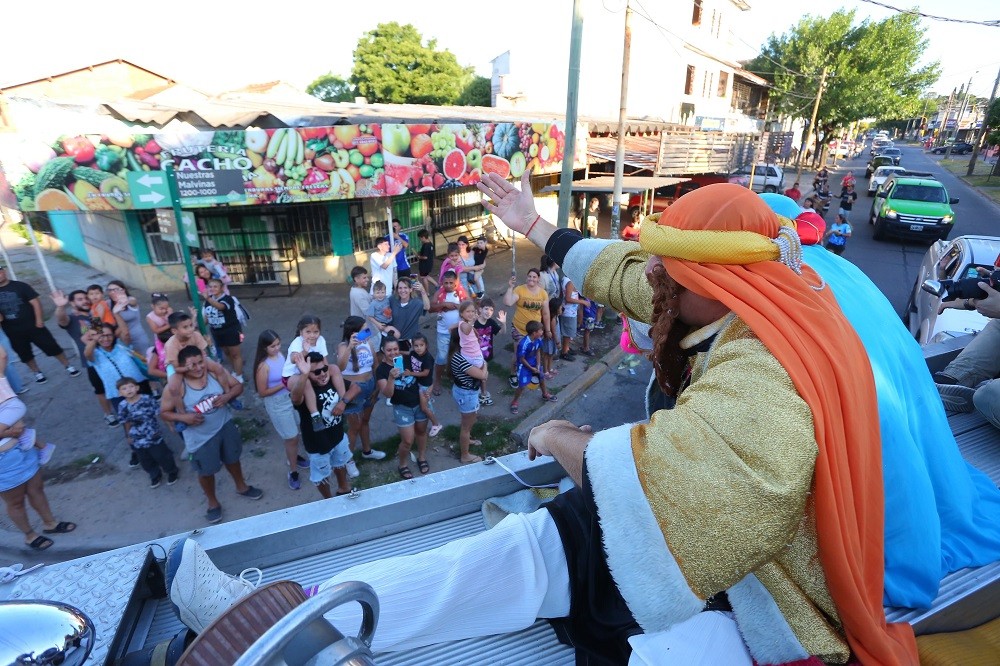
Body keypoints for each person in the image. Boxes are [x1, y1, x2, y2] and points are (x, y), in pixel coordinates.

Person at [160, 345, 261, 524]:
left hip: (225, 427)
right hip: (200, 439)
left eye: (201, 362)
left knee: (233, 459)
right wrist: (185, 417)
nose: (199, 368)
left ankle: (242, 486)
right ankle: (213, 503)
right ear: (183, 367)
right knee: (206, 472)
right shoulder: (176, 387)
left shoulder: (214, 374)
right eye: (193, 365)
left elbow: (238, 386)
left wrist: (227, 396)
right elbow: (164, 412)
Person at [289, 351, 359, 498]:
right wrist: (304, 375)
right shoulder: (306, 389)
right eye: (316, 372)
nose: (322, 374)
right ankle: (328, 500)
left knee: (340, 463)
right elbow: (295, 399)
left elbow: (356, 388)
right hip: (317, 444)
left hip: (337, 436)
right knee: (321, 475)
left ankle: (343, 488)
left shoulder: (333, 379)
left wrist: (343, 402)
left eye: (324, 369)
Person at [252, 329, 309, 491]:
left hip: (290, 399)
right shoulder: (263, 366)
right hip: (277, 404)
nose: (276, 348)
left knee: (295, 432)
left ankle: (294, 457)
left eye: (278, 344)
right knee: (291, 437)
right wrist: (284, 384)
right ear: (264, 348)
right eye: (272, 346)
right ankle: (293, 472)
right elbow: (262, 392)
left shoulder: (281, 356)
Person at [0, 268, 79, 383]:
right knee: (25, 354)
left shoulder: (21, 286)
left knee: (52, 346)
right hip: (12, 331)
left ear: (4, 271)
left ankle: (68, 365)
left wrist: (39, 320)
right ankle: (37, 372)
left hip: (33, 325)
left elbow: (35, 303)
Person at [53, 289, 118, 427]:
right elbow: (61, 319)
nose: (85, 301)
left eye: (86, 298)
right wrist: (60, 306)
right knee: (100, 389)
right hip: (92, 361)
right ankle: (108, 414)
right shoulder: (73, 318)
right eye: (80, 299)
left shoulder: (95, 312)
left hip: (110, 356)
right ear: (72, 302)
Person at [336, 316, 387, 477]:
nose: (367, 331)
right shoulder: (343, 346)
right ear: (353, 332)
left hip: (370, 386)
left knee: (365, 421)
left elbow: (375, 365)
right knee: (354, 427)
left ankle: (367, 450)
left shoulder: (368, 342)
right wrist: (351, 346)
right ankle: (348, 460)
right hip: (353, 390)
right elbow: (340, 367)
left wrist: (376, 387)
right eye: (364, 329)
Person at [375, 337, 429, 479]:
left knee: (421, 432)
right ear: (383, 350)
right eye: (389, 350)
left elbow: (425, 372)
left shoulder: (408, 359)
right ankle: (403, 464)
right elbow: (387, 394)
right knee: (407, 440)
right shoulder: (381, 370)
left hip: (419, 402)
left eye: (395, 349)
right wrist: (391, 378)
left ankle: (422, 457)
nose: (393, 353)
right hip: (402, 407)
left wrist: (428, 389)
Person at [116, 376, 178, 489]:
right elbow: (126, 422)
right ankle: (154, 475)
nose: (128, 390)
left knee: (162, 455)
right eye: (124, 388)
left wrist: (169, 424)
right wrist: (128, 435)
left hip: (153, 433)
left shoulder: (147, 399)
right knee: (145, 459)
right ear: (120, 393)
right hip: (137, 437)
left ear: (137, 387)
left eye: (131, 386)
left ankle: (171, 471)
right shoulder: (122, 406)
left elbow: (159, 413)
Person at [503, 268, 551, 388]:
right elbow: (508, 302)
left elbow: (546, 313)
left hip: (535, 331)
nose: (531, 279)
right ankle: (513, 374)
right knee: (519, 353)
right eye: (529, 276)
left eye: (534, 277)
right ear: (526, 277)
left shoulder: (543, 293)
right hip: (519, 328)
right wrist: (510, 287)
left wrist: (548, 329)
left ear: (538, 279)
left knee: (534, 352)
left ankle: (529, 371)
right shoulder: (520, 289)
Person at [448, 329, 489, 464]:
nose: (474, 340)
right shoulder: (459, 358)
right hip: (466, 394)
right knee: (466, 426)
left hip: (467, 392)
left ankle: (467, 439)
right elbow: (482, 375)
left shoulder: (462, 353)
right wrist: (485, 367)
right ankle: (465, 455)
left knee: (470, 420)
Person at [282, 316, 328, 431]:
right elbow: (293, 359)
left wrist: (327, 373)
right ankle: (315, 416)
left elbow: (324, 359)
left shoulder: (321, 340)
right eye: (308, 332)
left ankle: (344, 400)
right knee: (306, 381)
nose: (312, 335)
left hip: (311, 371)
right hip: (292, 376)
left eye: (315, 332)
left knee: (334, 369)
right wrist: (305, 351)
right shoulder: (297, 342)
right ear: (301, 332)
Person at [429, 271, 467, 396]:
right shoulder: (439, 293)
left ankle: (454, 376)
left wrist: (457, 306)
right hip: (443, 332)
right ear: (442, 282)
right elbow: (430, 308)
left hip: (458, 331)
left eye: (451, 283)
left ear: (456, 282)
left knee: (458, 355)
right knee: (441, 358)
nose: (449, 285)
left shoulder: (461, 291)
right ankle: (437, 382)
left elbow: (470, 306)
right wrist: (444, 304)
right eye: (446, 283)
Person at [201, 278, 243, 382]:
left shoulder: (228, 299)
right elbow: (207, 317)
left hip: (230, 330)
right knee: (227, 353)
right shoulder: (208, 301)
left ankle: (239, 375)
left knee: (235, 354)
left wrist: (208, 299)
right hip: (217, 332)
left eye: (215, 286)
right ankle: (235, 371)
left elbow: (221, 307)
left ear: (222, 288)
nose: (212, 289)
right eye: (210, 287)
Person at [510, 320, 555, 415]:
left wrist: (538, 365)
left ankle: (545, 394)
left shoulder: (538, 340)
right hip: (524, 367)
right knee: (522, 386)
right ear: (535, 333)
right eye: (541, 330)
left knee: (541, 378)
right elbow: (521, 359)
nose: (542, 332)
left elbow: (538, 352)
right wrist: (531, 368)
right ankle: (514, 401)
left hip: (534, 364)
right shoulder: (523, 344)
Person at [408, 333, 443, 436]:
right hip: (418, 383)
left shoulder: (428, 358)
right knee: (421, 403)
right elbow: (408, 354)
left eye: (421, 345)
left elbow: (425, 373)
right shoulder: (413, 353)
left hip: (424, 385)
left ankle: (436, 424)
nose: (419, 348)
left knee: (424, 408)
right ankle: (428, 403)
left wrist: (410, 373)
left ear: (426, 345)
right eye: (416, 346)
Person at [473, 298, 505, 406]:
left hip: (486, 354)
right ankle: (483, 394)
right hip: (475, 354)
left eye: (491, 310)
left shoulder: (491, 322)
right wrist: (472, 323)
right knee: (483, 375)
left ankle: (478, 391)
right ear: (480, 309)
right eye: (486, 309)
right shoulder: (475, 323)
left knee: (481, 374)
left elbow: (502, 333)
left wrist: (503, 323)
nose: (488, 312)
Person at [388, 277, 430, 353]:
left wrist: (423, 291)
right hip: (394, 341)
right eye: (400, 288)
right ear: (397, 289)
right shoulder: (392, 300)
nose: (402, 290)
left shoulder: (416, 303)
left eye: (405, 288)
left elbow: (427, 307)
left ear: (411, 289)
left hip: (409, 341)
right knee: (398, 363)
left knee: (408, 362)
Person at [108, 280, 150, 354]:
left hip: (137, 338)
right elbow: (97, 326)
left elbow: (132, 301)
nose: (112, 292)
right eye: (110, 290)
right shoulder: (105, 305)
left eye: (115, 290)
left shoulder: (130, 300)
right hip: (120, 342)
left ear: (123, 290)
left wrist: (123, 300)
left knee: (146, 361)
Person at [365, 281, 399, 354]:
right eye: (377, 293)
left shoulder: (387, 299)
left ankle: (391, 351)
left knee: (391, 339)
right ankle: (383, 353)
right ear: (373, 293)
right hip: (382, 324)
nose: (380, 295)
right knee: (386, 340)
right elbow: (370, 316)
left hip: (390, 321)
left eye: (383, 292)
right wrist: (378, 324)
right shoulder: (373, 304)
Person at [559, 274, 587, 361]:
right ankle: (564, 352)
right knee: (568, 333)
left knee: (568, 332)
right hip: (569, 312)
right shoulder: (570, 282)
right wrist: (582, 301)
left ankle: (566, 348)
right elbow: (568, 298)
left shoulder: (565, 279)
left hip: (570, 310)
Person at [542, 297, 562, 379]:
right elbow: (553, 332)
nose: (562, 308)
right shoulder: (553, 319)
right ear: (556, 308)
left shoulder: (555, 317)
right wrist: (557, 342)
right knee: (546, 355)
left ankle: (549, 368)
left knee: (551, 355)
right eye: (560, 307)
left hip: (552, 340)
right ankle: (545, 371)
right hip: (551, 340)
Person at [416, 229, 438, 293]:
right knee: (426, 276)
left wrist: (419, 256)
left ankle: (427, 292)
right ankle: (436, 285)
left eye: (420, 238)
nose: (420, 240)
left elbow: (425, 257)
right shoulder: (430, 244)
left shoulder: (426, 245)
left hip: (424, 265)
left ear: (423, 237)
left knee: (423, 277)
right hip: (429, 263)